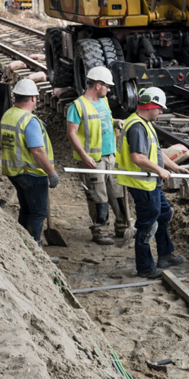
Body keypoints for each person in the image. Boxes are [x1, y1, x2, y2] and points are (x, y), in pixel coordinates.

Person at [118, 87, 189, 279]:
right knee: (147, 225)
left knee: (165, 213)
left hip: (151, 182)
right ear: (151, 106)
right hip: (142, 183)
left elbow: (156, 153)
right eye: (159, 108)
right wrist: (159, 170)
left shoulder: (145, 123)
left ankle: (165, 255)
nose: (161, 112)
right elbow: (137, 157)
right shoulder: (137, 127)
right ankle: (145, 267)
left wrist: (174, 167)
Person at [64, 65, 134, 246]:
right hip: (93, 160)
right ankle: (100, 231)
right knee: (98, 197)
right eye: (107, 86)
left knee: (117, 193)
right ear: (98, 85)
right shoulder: (78, 106)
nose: (109, 90)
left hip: (111, 156)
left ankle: (122, 226)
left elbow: (105, 121)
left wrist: (117, 123)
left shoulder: (103, 102)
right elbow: (72, 133)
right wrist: (83, 156)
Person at [0, 78, 59, 254]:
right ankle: (35, 251)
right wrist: (51, 173)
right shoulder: (29, 120)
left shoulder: (9, 114)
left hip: (14, 171)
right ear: (33, 98)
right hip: (31, 173)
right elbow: (38, 151)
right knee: (38, 213)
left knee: (26, 209)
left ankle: (22, 246)